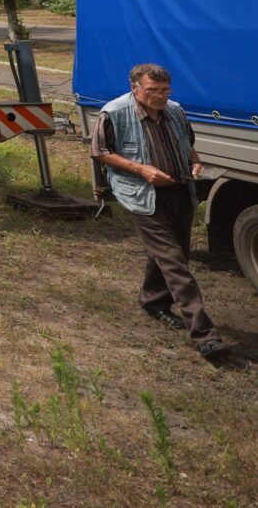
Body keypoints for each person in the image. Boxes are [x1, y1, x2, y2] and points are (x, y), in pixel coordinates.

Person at [92, 63, 236, 362]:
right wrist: (141, 169)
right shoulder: (114, 112)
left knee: (174, 253)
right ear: (135, 88)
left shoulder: (175, 110)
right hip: (143, 196)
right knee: (175, 264)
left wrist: (196, 164)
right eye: (152, 91)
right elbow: (100, 152)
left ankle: (153, 302)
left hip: (181, 192)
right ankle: (206, 337)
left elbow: (189, 146)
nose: (160, 96)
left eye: (164, 90)